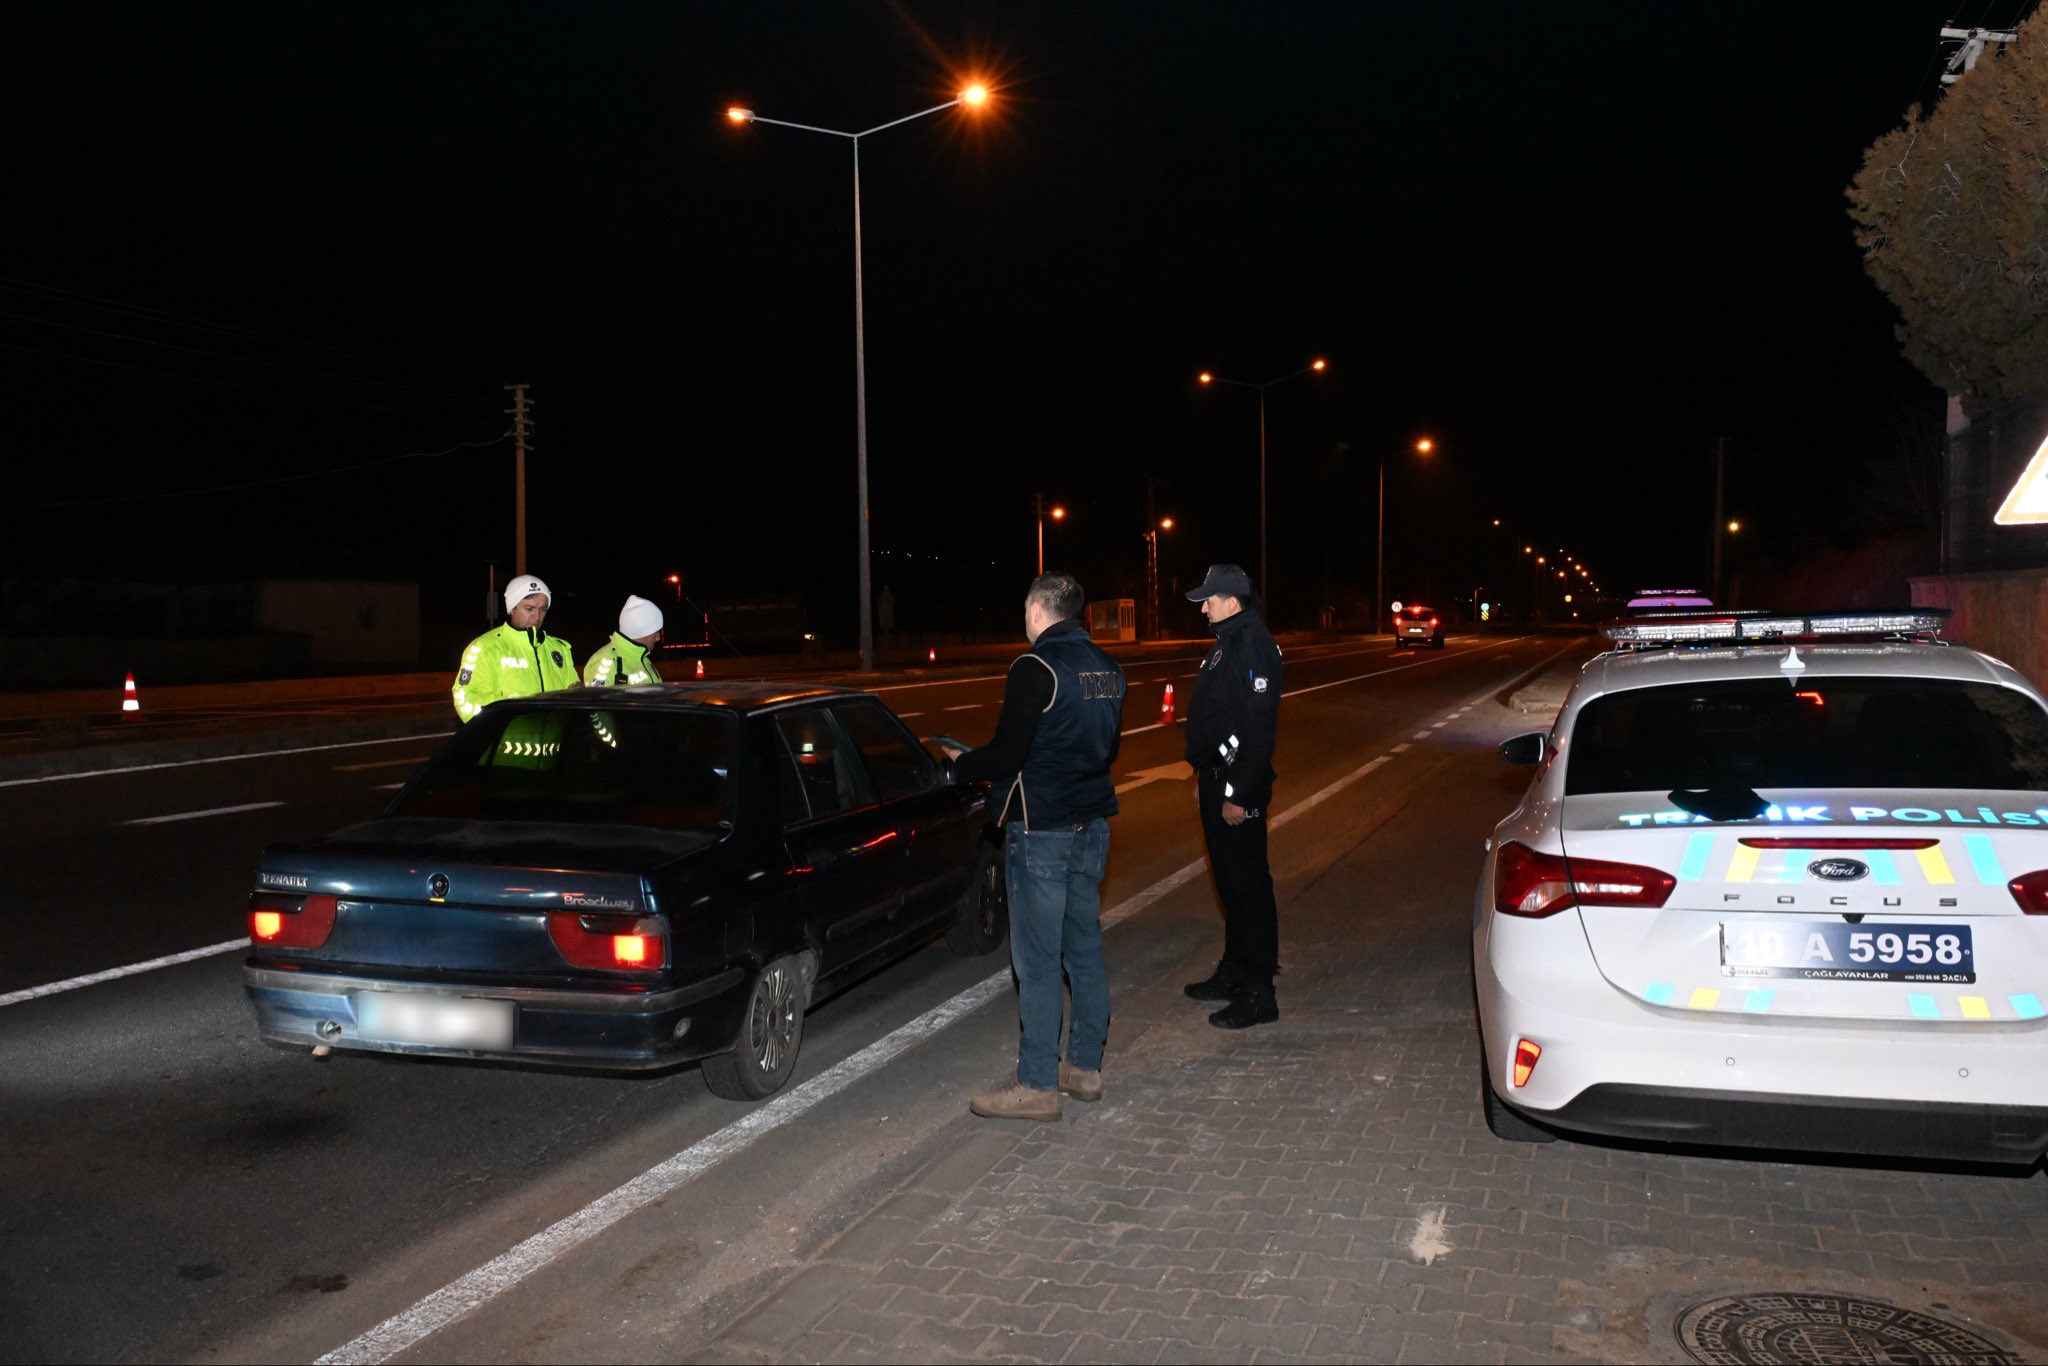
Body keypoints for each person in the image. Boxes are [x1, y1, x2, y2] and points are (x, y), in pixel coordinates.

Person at [942, 573, 1126, 1121]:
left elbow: (1007, 754)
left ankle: (1037, 1083)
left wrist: (961, 765)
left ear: (1039, 609)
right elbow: (1108, 747)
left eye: (1026, 608)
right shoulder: (1109, 669)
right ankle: (1085, 1069)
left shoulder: (1034, 667)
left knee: (1039, 961)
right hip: (1092, 825)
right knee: (1084, 952)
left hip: (1042, 829)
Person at [1181, 563, 1285, 1028]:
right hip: (1217, 778)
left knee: (1248, 887)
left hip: (1236, 784)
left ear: (1232, 601)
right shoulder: (1228, 643)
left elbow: (1259, 729)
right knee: (1229, 884)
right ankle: (1235, 970)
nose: (1203, 607)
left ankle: (1260, 992)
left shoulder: (1252, 645)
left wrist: (1238, 793)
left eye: (1209, 599)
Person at [451, 574, 580, 722]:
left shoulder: (559, 649)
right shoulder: (485, 647)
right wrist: (511, 716)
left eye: (543, 609)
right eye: (529, 608)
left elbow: (572, 691)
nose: (537, 616)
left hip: (554, 743)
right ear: (512, 608)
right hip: (506, 742)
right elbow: (465, 698)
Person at [583, 594, 665, 687]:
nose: (658, 638)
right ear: (643, 631)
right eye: (656, 632)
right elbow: (597, 700)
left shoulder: (643, 660)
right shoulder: (606, 662)